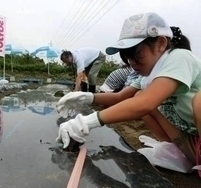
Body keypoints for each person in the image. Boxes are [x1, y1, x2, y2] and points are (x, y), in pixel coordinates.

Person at [56, 12, 201, 177]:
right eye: (127, 56)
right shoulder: (149, 75)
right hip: (188, 141)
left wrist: (87, 122)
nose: (131, 62)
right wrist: (85, 97)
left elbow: (146, 103)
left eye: (136, 53)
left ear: (161, 43)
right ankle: (178, 152)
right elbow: (120, 97)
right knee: (138, 95)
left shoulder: (179, 58)